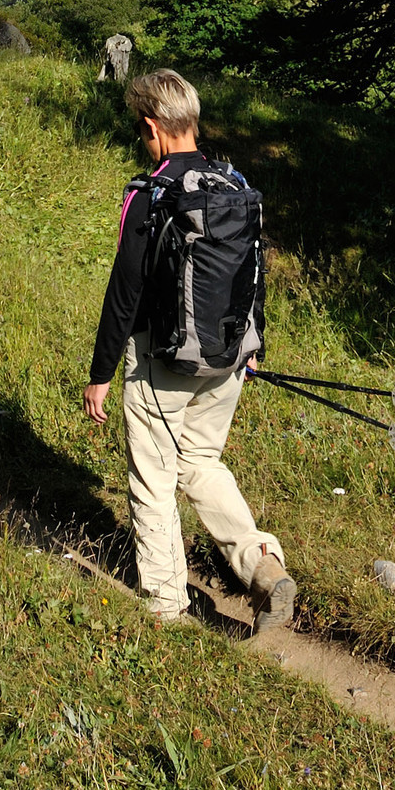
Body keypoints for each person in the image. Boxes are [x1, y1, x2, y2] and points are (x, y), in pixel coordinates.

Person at [82, 67, 296, 631]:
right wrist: (254, 343)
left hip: (163, 361)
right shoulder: (235, 183)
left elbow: (125, 290)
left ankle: (166, 608)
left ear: (154, 128)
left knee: (153, 480)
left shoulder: (150, 194)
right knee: (201, 463)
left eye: (140, 130)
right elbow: (254, 268)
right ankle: (264, 566)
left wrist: (101, 372)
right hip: (229, 354)